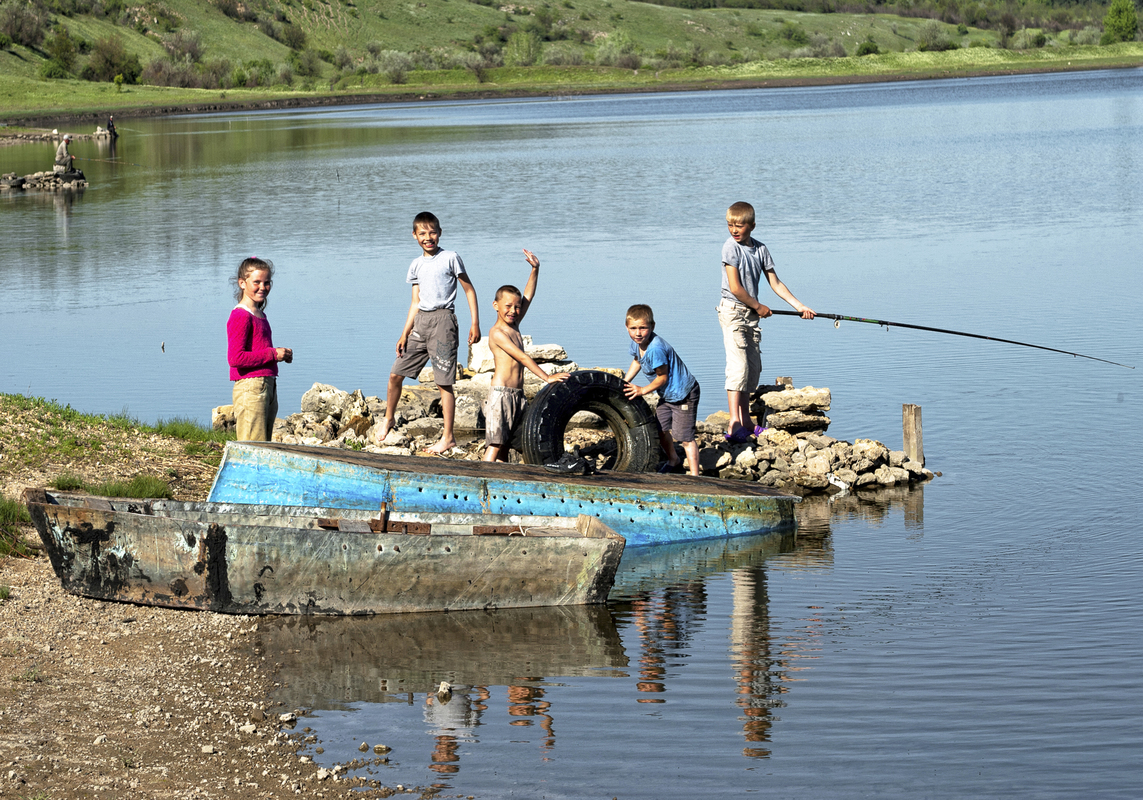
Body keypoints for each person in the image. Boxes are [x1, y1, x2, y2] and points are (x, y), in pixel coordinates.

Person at [380, 211, 480, 455]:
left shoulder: (450, 258)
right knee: (395, 373)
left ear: (440, 233)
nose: (428, 237)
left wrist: (475, 322)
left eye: (432, 232)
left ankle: (448, 437)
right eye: (422, 233)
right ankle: (389, 419)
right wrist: (405, 332)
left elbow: (469, 289)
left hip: (444, 321)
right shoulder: (415, 265)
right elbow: (415, 302)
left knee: (443, 383)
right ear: (414, 235)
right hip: (420, 323)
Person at [718, 201, 815, 444]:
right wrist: (758, 306)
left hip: (750, 315)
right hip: (733, 311)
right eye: (730, 225)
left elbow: (776, 282)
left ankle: (748, 422)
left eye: (739, 225)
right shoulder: (730, 248)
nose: (734, 229)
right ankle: (734, 424)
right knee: (737, 368)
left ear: (752, 225)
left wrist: (799, 306)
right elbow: (735, 288)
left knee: (752, 370)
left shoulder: (760, 249)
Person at [482, 250, 570, 462]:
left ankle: (500, 486)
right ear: (496, 306)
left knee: (508, 445)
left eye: (517, 307)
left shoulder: (515, 325)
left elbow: (528, 295)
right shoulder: (497, 333)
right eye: (508, 306)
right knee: (496, 443)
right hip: (501, 395)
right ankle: (480, 480)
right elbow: (522, 357)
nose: (513, 311)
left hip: (517, 395)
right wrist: (547, 377)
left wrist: (535, 269)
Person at [622, 304, 701, 476]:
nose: (638, 333)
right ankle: (674, 460)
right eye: (633, 328)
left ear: (652, 327)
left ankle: (696, 478)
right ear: (627, 327)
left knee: (685, 437)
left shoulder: (656, 349)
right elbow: (637, 361)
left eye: (643, 328)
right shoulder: (637, 343)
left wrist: (642, 390)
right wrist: (625, 381)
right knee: (660, 429)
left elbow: (662, 378)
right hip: (668, 395)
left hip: (684, 394)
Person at [227, 257, 292, 442]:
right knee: (253, 447)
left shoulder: (259, 314)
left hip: (266, 385)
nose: (262, 287)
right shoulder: (240, 315)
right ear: (242, 283)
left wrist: (279, 355)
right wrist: (272, 354)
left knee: (264, 445)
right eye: (256, 282)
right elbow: (235, 358)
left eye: (266, 282)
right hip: (250, 388)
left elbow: (258, 348)